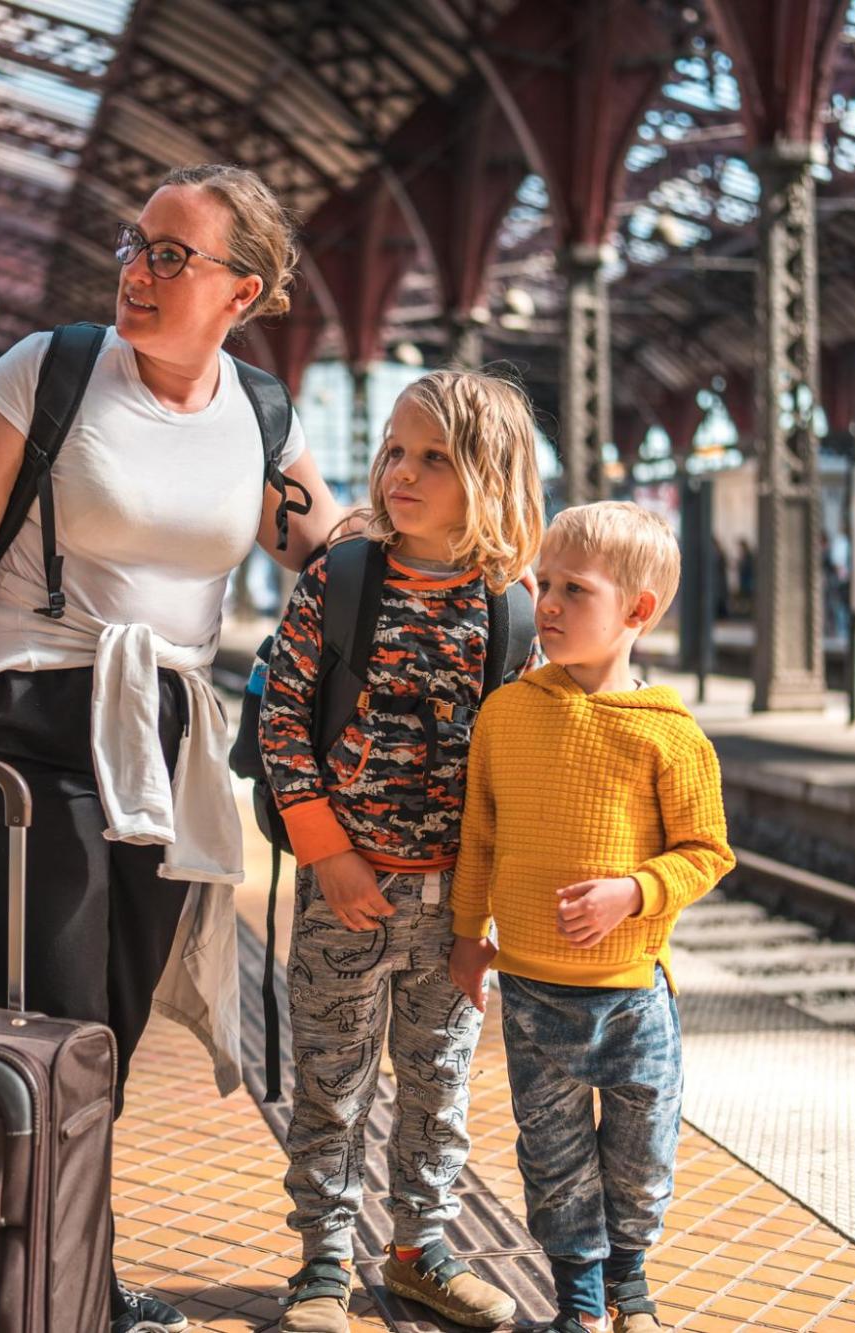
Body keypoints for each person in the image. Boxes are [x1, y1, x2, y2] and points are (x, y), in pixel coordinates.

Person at [0, 163, 345, 1333]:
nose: (137, 271)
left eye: (170, 256)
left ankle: (53, 1261)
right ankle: (51, 1284)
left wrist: (482, 562)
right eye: (135, 244)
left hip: (165, 743)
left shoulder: (260, 417)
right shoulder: (51, 372)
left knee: (112, 1021)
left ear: (241, 290)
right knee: (43, 1006)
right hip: (25, 724)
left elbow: (337, 558)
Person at [257, 370, 543, 1333]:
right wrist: (327, 851)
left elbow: (518, 769)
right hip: (345, 887)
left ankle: (421, 1249)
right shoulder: (340, 581)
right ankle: (323, 1265)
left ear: (491, 476)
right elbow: (283, 721)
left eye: (433, 457)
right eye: (392, 450)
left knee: (440, 1085)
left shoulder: (510, 608)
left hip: (457, 905)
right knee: (332, 1085)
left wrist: (489, 911)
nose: (399, 472)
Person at [450, 503, 735, 1333]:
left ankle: (633, 1288)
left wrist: (633, 891)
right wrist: (470, 937)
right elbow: (479, 833)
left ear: (637, 612)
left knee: (640, 1160)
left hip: (631, 996)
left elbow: (706, 850)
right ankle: (580, 1301)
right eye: (544, 584)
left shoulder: (670, 736)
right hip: (534, 993)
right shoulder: (506, 713)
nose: (548, 604)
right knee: (555, 1156)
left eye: (576, 589)